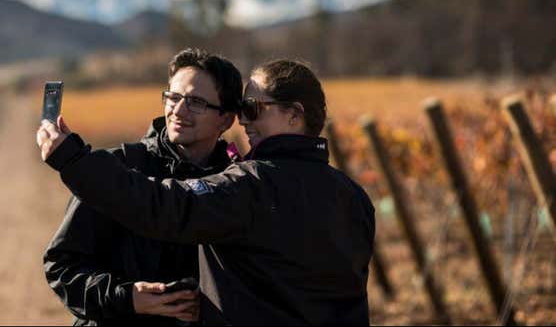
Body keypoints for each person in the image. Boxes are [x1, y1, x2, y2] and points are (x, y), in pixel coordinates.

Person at [38, 59, 375, 326]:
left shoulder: (247, 185)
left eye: (253, 108)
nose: (246, 121)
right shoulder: (355, 197)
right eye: (172, 96)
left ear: (294, 115)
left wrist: (72, 159)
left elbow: (165, 206)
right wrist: (125, 298)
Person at [43, 48, 243, 325]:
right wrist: (127, 298)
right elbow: (63, 266)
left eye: (196, 102)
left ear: (226, 118)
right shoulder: (117, 167)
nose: (178, 110)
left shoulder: (238, 183)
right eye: (173, 97)